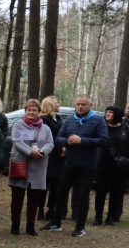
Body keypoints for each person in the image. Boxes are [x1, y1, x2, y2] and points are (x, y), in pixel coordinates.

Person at [43, 94, 108, 237]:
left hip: (88, 164)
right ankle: (56, 222)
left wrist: (82, 141)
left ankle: (80, 227)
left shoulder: (98, 121)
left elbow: (103, 140)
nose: (79, 107)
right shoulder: (70, 120)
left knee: (82, 195)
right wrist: (66, 142)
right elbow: (59, 138)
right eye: (78, 104)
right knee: (61, 192)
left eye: (83, 104)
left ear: (90, 106)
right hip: (69, 163)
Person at [9, 98, 54, 236]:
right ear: (25, 111)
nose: (31, 112)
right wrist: (30, 152)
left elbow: (50, 143)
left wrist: (41, 151)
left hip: (39, 166)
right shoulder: (18, 125)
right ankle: (15, 225)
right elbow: (17, 141)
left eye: (34, 110)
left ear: (39, 112)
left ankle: (30, 226)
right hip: (21, 165)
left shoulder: (45, 128)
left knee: (34, 199)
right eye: (29, 109)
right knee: (17, 198)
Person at [93, 106, 129, 226]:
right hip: (103, 164)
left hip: (120, 166)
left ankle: (111, 217)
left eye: (110, 112)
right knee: (100, 191)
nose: (107, 114)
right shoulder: (102, 127)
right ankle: (98, 217)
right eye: (106, 112)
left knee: (116, 193)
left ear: (116, 115)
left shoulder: (125, 129)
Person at [40, 96, 65, 222]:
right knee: (44, 184)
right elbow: (48, 138)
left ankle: (51, 209)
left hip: (59, 157)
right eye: (56, 103)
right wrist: (59, 149)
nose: (59, 104)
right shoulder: (43, 120)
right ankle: (40, 210)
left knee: (56, 184)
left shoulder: (58, 118)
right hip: (49, 156)